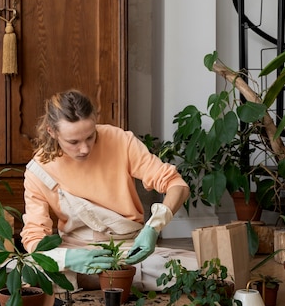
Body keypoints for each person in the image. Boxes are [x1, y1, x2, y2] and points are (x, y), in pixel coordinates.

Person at [20, 89, 199, 290]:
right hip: (75, 251)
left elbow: (177, 185)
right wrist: (68, 259)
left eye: (90, 137)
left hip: (128, 249)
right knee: (26, 274)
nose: (85, 148)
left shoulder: (120, 140)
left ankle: (100, 279)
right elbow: (34, 237)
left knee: (202, 271)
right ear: (51, 131)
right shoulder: (38, 171)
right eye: (74, 142)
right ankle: (118, 278)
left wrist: (153, 227)